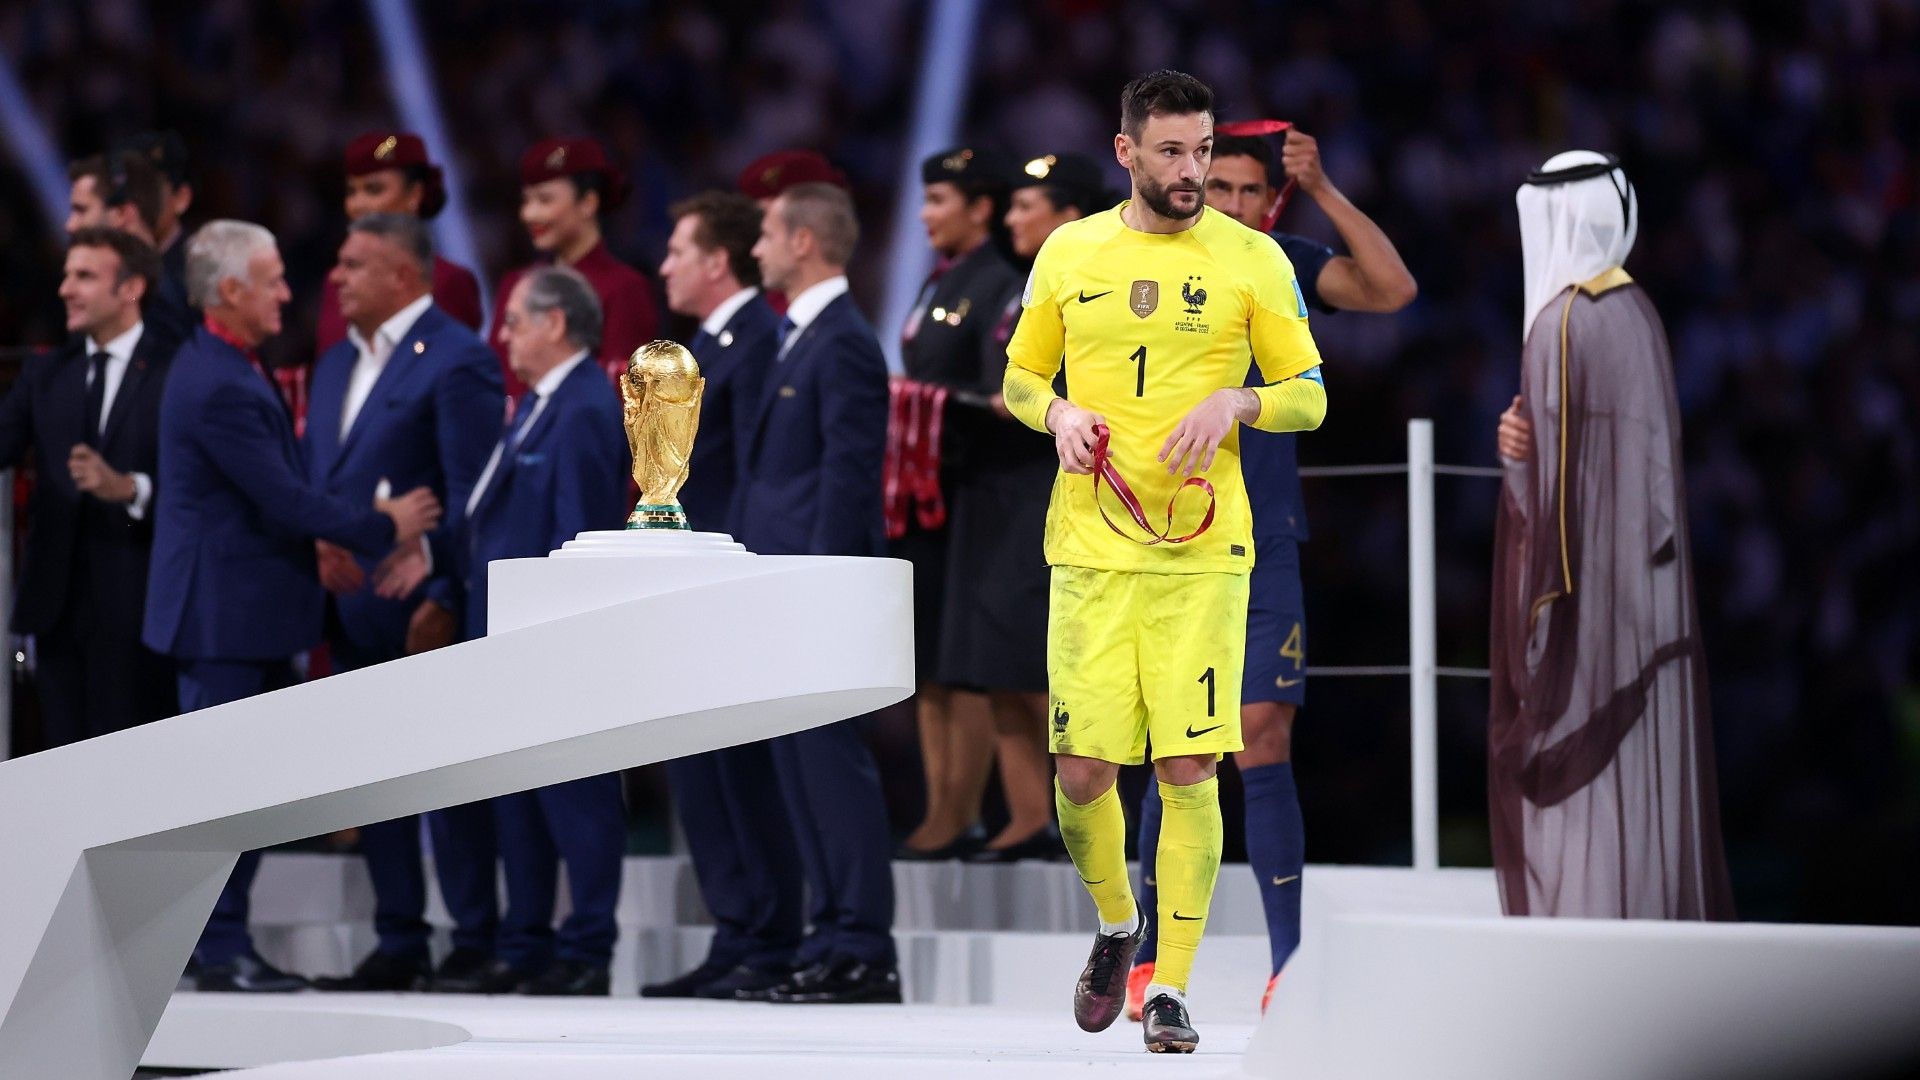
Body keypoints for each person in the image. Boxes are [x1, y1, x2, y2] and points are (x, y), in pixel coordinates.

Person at [1001, 70, 1327, 1052]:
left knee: (1190, 765)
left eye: (1203, 150)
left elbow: (1308, 392)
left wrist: (1241, 402)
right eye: (1174, 153)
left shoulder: (1252, 260)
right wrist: (1056, 412)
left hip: (1204, 552)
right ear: (1128, 153)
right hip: (1092, 548)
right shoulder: (1070, 250)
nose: (1192, 172)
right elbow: (1019, 374)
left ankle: (1170, 986)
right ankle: (1115, 923)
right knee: (1083, 774)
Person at [1128, 125, 1418, 1017]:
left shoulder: (1279, 260)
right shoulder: (1142, 257)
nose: (1239, 207)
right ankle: (1143, 957)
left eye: (1255, 194)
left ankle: (1284, 965)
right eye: (1224, 191)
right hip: (1169, 535)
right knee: (1181, 744)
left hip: (1267, 540)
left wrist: (1325, 188)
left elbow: (1390, 288)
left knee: (1263, 738)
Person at [144, 220, 441, 992]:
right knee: (224, 794)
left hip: (240, 613)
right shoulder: (216, 380)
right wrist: (384, 526)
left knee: (239, 790)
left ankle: (222, 946)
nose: (288, 292)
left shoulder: (226, 362)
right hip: (224, 619)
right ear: (232, 290)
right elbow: (282, 496)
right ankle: (217, 949)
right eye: (273, 279)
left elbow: (269, 497)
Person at [1489, 150, 1734, 920]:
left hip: (1588, 602)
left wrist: (1514, 466)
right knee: (1642, 785)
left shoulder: (1563, 322)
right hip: (1648, 596)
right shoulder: (1637, 311)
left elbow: (1555, 491)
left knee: (1581, 798)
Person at [301, 213, 505, 992]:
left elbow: (476, 493)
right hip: (349, 609)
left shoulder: (459, 360)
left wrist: (448, 590)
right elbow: (320, 478)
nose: (337, 276)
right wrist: (317, 542)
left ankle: (475, 937)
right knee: (374, 778)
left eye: (354, 264)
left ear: (402, 275)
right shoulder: (331, 366)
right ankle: (399, 938)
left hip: (425, 613)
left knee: (447, 781)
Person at [435, 266, 630, 994]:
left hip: (550, 640)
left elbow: (578, 532)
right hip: (509, 636)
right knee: (519, 796)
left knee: (574, 798)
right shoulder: (539, 405)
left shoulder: (581, 406)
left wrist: (557, 635)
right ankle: (526, 944)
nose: (502, 334)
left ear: (555, 323)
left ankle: (585, 951)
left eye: (515, 320)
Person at [733, 181, 900, 1004]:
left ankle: (863, 946)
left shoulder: (840, 342)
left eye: (765, 232)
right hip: (782, 587)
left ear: (803, 241)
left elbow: (846, 476)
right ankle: (829, 937)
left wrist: (822, 587)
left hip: (814, 592)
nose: (755, 247)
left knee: (831, 769)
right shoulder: (805, 337)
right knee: (800, 771)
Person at [640, 191, 805, 1001]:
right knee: (701, 769)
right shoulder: (704, 344)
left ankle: (769, 935)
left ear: (715, 260)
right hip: (689, 579)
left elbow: (749, 472)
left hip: (729, 578)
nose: (664, 264)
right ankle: (735, 928)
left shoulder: (761, 340)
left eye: (677, 249)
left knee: (743, 766)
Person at [940, 152, 1116, 865]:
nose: (1010, 218)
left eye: (1024, 207)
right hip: (999, 488)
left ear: (1068, 217)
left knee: (1041, 664)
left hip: (1051, 485)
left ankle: (1081, 816)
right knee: (1001, 663)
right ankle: (1026, 816)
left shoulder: (1093, 289)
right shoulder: (1023, 289)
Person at [0, 228, 179, 749]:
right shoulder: (47, 373)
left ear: (131, 288)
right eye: (66, 274)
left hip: (141, 613)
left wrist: (130, 488)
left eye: (84, 276)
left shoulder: (177, 369)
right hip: (56, 616)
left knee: (133, 774)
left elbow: (203, 491)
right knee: (65, 775)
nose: (65, 289)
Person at [894, 146, 1023, 861]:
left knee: (959, 660)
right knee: (929, 663)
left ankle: (960, 809)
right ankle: (938, 804)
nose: (925, 215)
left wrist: (925, 405)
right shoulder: (938, 282)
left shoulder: (997, 283)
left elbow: (995, 396)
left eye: (940, 202)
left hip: (967, 487)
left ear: (981, 209)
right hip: (925, 488)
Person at [491, 137, 659, 395]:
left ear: (588, 203)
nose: (530, 214)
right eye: (526, 201)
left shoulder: (624, 288)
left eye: (545, 200)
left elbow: (622, 398)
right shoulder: (515, 285)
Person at [314, 131, 485, 353]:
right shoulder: (336, 284)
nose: (359, 205)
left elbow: (456, 371)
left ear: (414, 195)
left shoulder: (447, 281)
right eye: (352, 192)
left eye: (374, 190)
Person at [115, 130, 195, 289]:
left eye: (147, 188)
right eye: (124, 188)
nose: (131, 201)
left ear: (181, 199)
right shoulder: (105, 266)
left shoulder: (198, 276)